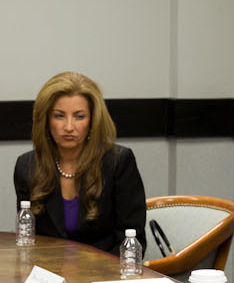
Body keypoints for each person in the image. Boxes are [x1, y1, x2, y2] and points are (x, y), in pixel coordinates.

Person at [12, 71, 145, 255]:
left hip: (104, 275)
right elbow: (27, 238)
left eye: (79, 116)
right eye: (59, 116)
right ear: (46, 120)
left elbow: (132, 239)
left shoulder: (118, 163)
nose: (68, 127)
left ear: (93, 121)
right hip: (49, 276)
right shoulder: (27, 166)